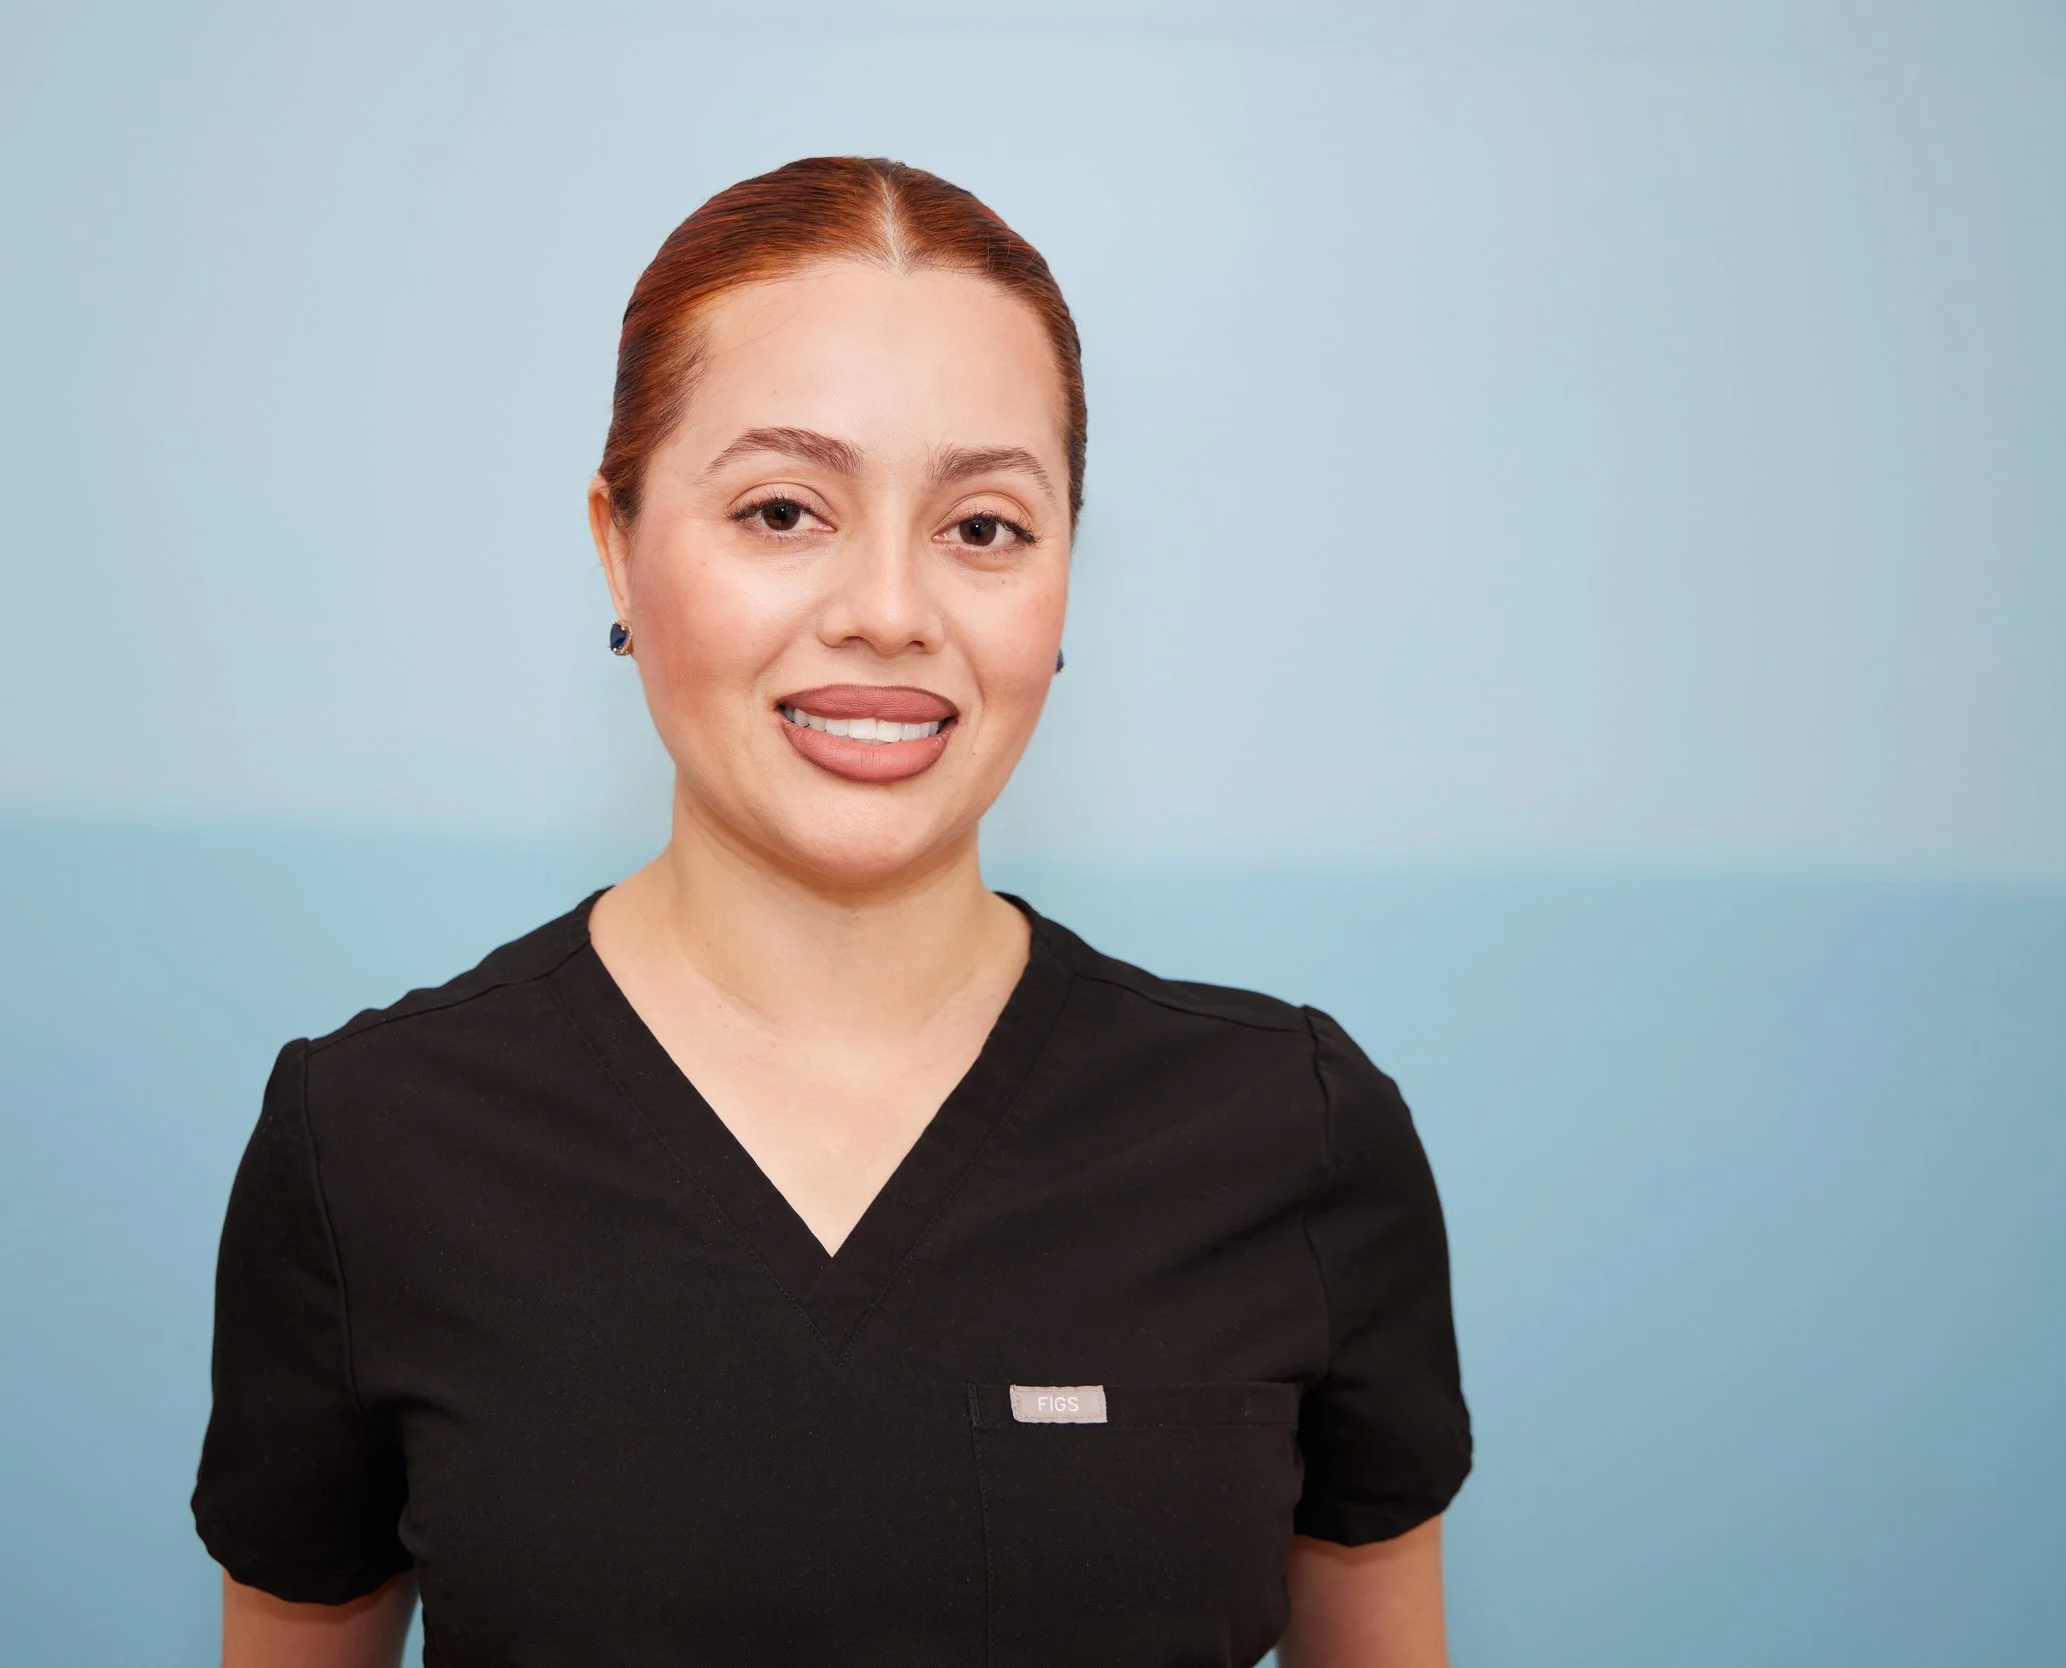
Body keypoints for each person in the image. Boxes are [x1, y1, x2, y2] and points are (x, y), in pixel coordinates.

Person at [193, 156, 1469, 1668]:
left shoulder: (1293, 1136)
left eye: (984, 526)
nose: (888, 607)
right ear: (617, 540)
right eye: (784, 509)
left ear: (1068, 573)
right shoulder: (375, 1143)